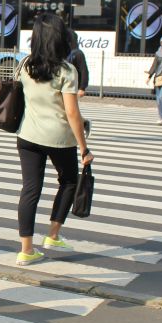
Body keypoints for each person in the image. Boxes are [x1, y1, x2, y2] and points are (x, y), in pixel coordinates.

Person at [15, 13, 94, 266]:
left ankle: (26, 250)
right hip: (59, 138)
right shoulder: (67, 71)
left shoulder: (25, 65)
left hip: (27, 135)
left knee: (30, 189)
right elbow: (72, 113)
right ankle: (53, 234)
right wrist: (84, 147)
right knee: (69, 181)